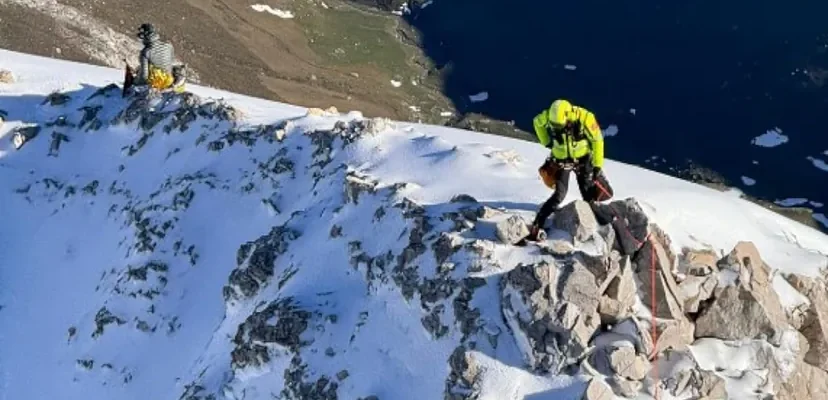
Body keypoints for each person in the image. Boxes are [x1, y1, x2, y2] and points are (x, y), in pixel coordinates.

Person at [526, 99, 612, 241]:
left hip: (582, 160)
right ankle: (538, 222)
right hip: (561, 160)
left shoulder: (585, 117)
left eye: (559, 125)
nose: (557, 128)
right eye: (554, 125)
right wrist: (545, 141)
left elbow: (597, 140)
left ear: (568, 115)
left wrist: (597, 165)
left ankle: (598, 224)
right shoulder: (551, 115)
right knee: (560, 194)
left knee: (588, 194)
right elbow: (537, 122)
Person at [127, 23, 186, 93]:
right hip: (169, 80)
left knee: (145, 69)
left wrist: (134, 81)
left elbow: (144, 76)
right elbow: (170, 62)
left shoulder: (146, 52)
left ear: (145, 36)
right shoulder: (168, 46)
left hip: (156, 83)